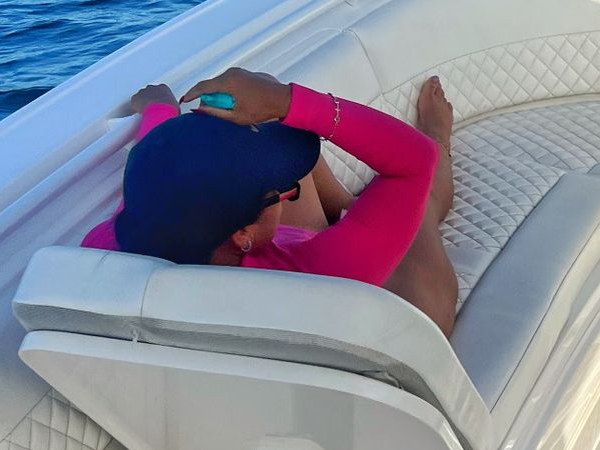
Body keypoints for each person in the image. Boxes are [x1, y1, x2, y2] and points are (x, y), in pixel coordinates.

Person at [83, 66, 461, 336]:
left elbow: (160, 174)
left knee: (267, 137)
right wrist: (284, 99)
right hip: (396, 317)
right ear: (244, 233)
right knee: (420, 209)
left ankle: (346, 206)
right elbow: (414, 163)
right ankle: (436, 135)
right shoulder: (321, 278)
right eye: (281, 192)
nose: (286, 190)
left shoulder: (114, 241)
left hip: (250, 261)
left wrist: (160, 111)